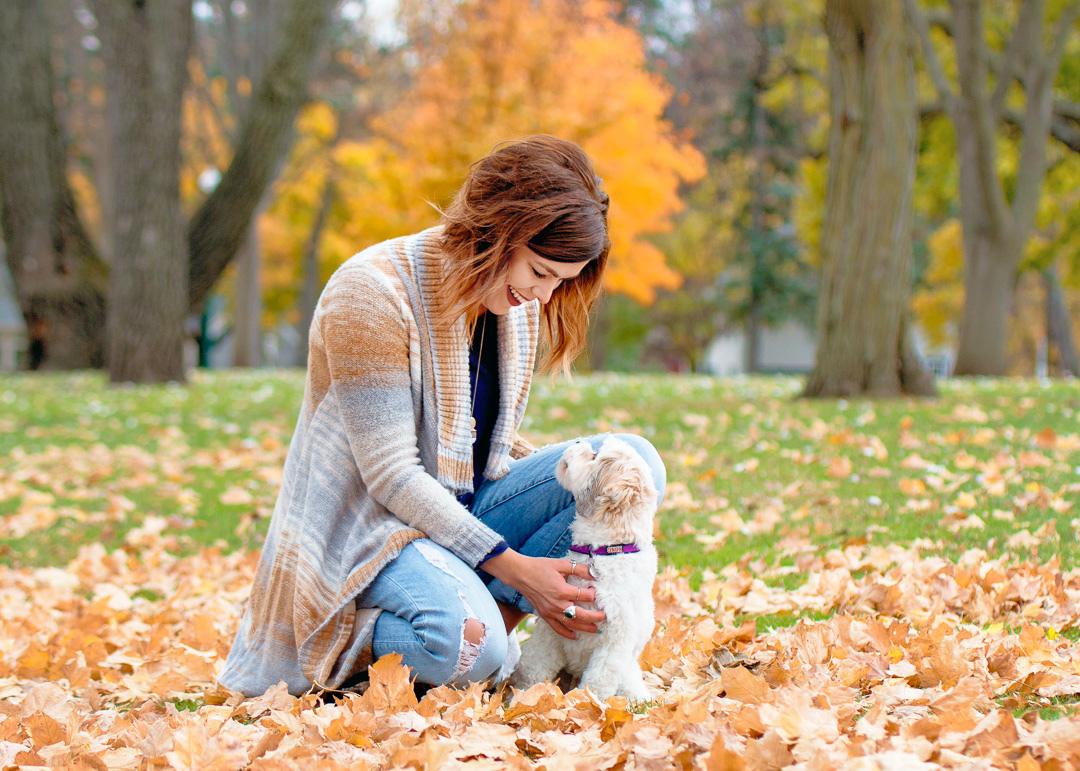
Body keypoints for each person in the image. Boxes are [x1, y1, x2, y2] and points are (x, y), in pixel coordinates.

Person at [219, 135, 666, 697]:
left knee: (635, 463)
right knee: (465, 647)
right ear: (499, 229)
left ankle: (491, 625)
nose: (546, 296)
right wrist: (519, 569)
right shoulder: (371, 294)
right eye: (541, 271)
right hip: (369, 532)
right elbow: (392, 478)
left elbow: (482, 449)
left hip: (457, 514)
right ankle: (351, 633)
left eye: (560, 280)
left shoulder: (513, 306)